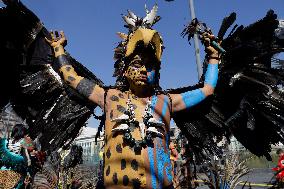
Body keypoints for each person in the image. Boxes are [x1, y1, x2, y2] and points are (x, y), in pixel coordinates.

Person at [46, 5, 220, 189]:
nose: (144, 70)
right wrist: (58, 50)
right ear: (125, 70)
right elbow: (71, 78)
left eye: (150, 65)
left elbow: (207, 89)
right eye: (137, 64)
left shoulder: (166, 101)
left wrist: (213, 57)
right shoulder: (108, 97)